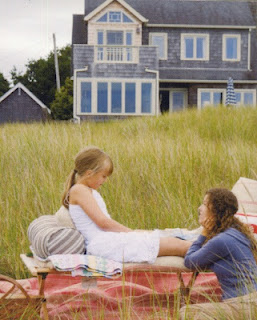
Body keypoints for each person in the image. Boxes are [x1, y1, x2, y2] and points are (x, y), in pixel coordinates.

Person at [62, 146, 191, 264]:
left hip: (108, 240)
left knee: (178, 242)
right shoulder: (79, 190)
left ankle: (207, 250)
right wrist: (131, 233)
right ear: (89, 173)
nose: (105, 180)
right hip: (104, 245)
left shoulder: (87, 190)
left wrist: (132, 233)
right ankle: (208, 254)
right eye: (103, 176)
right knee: (181, 247)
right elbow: (103, 222)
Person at [180, 188, 257, 320]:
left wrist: (203, 233)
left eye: (204, 204)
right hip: (251, 300)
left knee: (186, 312)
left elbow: (190, 262)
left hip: (244, 304)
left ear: (215, 212)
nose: (200, 208)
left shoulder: (221, 240)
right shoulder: (237, 232)